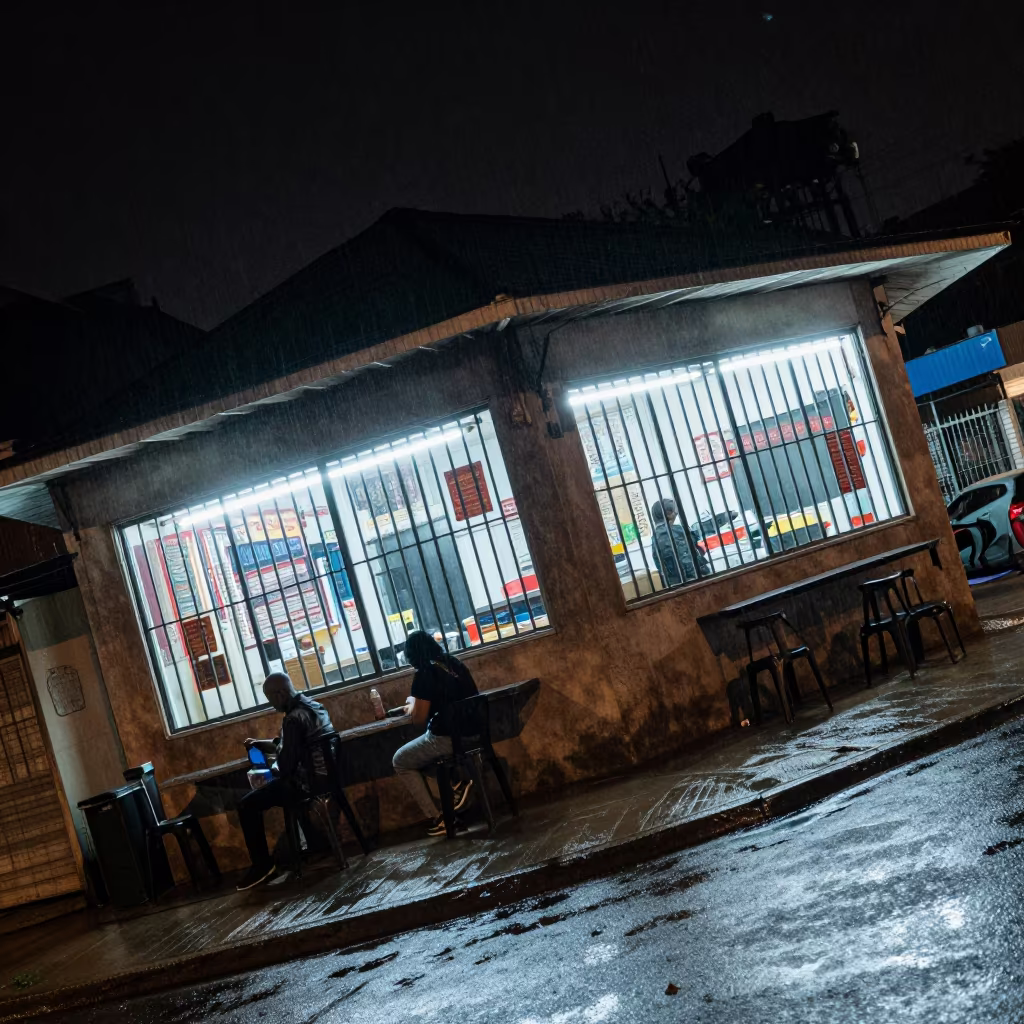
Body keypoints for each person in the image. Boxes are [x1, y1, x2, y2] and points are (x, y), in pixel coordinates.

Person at [236, 672, 335, 890]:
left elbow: (287, 765)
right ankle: (315, 845)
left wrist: (269, 773)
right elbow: (291, 744)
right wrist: (262, 744)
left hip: (307, 784)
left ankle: (262, 865)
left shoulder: (292, 719)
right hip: (326, 777)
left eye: (270, 699)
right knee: (283, 790)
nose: (271, 704)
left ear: (280, 694)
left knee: (247, 804)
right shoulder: (313, 706)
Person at [392, 631, 478, 837]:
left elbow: (419, 721)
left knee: (401, 760)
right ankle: (455, 786)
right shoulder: (453, 663)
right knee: (422, 757)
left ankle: (441, 817)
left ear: (412, 656)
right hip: (475, 731)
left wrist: (412, 707)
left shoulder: (424, 674)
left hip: (449, 738)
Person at [650, 498, 707, 587]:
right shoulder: (676, 531)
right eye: (675, 511)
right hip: (690, 582)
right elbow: (685, 560)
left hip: (672, 585)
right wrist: (699, 577)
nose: (676, 514)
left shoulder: (655, 537)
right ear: (669, 513)